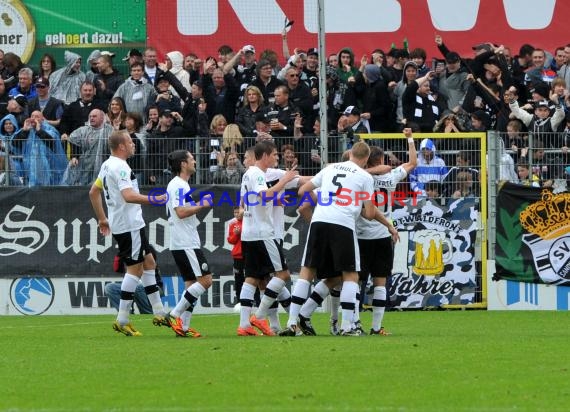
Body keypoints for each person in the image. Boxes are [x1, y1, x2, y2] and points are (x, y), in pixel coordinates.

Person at [281, 141, 395, 337]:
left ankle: (292, 323)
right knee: (350, 275)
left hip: (319, 221)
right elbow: (368, 213)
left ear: (350, 154)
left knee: (307, 272)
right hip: (342, 224)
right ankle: (347, 327)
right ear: (366, 159)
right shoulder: (364, 176)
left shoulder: (330, 168)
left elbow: (302, 191)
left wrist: (328, 199)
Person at [88, 130, 168, 336]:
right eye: (131, 142)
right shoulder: (120, 167)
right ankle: (122, 319)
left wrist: (102, 218)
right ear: (122, 146)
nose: (133, 145)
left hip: (129, 223)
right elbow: (128, 195)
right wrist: (153, 199)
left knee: (149, 263)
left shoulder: (107, 164)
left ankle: (159, 312)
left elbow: (93, 192)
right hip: (128, 225)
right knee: (135, 269)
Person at [236, 140, 298, 336]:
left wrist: (277, 199)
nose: (276, 158)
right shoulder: (258, 174)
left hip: (249, 232)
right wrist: (285, 180)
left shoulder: (247, 175)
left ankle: (245, 325)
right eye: (274, 155)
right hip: (263, 233)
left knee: (254, 278)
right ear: (264, 156)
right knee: (283, 275)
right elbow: (263, 196)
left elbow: (250, 201)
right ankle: (259, 316)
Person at [162, 149, 214, 338]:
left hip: (183, 241)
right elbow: (181, 212)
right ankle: (174, 314)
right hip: (185, 242)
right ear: (183, 164)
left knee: (191, 284)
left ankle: (183, 328)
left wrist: (198, 203)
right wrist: (202, 205)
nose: (195, 161)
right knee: (206, 280)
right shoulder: (178, 185)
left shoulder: (180, 185)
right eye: (191, 159)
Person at [12, 110, 67, 186]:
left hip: (49, 166)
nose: (34, 118)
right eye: (32, 116)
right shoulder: (27, 129)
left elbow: (52, 141)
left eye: (37, 116)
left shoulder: (49, 129)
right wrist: (24, 131)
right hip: (31, 167)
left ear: (42, 119)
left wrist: (39, 130)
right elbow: (14, 143)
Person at [105, 248, 163, 314]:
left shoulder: (148, 255)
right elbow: (117, 268)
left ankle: (147, 313)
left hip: (154, 288)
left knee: (138, 287)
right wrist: (121, 254)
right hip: (134, 287)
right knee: (110, 288)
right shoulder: (130, 257)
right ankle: (125, 313)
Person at [62, 109, 113, 185]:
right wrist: (74, 156)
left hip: (103, 163)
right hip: (85, 164)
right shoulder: (83, 130)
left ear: (102, 118)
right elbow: (74, 141)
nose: (92, 118)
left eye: (94, 116)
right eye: (90, 116)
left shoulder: (109, 130)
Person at [227, 206, 245, 308]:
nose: (237, 214)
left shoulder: (248, 223)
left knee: (252, 278)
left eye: (238, 212)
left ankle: (255, 300)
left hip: (249, 255)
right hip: (238, 256)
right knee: (239, 279)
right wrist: (236, 234)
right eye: (235, 213)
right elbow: (231, 240)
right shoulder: (233, 225)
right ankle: (239, 300)